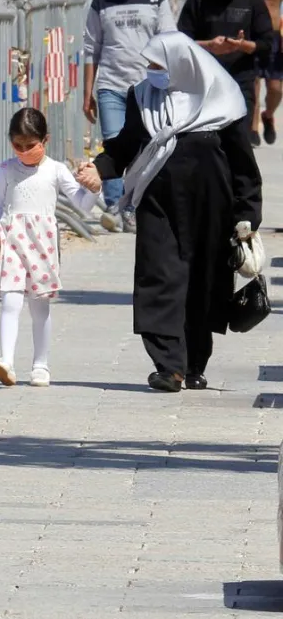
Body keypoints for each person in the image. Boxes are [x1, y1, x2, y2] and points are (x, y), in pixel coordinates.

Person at [82, 32, 262, 392]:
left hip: (211, 206)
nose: (152, 72)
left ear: (182, 65)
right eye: (149, 64)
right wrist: (99, 169)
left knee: (203, 282)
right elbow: (128, 144)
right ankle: (168, 365)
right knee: (158, 275)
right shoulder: (143, 97)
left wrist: (247, 214)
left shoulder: (221, 99)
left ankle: (194, 363)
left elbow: (242, 162)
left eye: (158, 65)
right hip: (159, 203)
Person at [0, 108, 102, 388]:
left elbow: (82, 204)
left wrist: (93, 188)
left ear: (45, 140)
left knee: (40, 307)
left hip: (41, 246)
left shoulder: (56, 170)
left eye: (30, 145)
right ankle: (7, 361)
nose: (24, 152)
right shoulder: (6, 170)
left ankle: (40, 365)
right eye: (17, 146)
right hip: (11, 240)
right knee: (10, 300)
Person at [82, 0, 177, 229]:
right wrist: (88, 92)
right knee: (113, 144)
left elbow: (169, 42)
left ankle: (132, 204)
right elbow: (90, 49)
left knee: (142, 149)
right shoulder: (102, 0)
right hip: (111, 84)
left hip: (147, 89)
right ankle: (113, 205)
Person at [177, 0, 275, 147]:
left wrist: (244, 46)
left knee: (239, 145)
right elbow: (180, 42)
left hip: (241, 82)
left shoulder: (253, 0)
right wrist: (208, 46)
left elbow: (266, 43)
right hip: (205, 84)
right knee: (209, 147)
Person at [243, 0, 283, 143]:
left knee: (276, 87)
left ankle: (268, 115)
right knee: (254, 84)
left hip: (275, 37)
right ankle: (253, 128)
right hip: (251, 37)